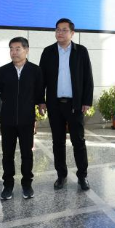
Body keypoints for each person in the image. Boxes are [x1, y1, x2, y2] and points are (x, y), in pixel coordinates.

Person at [39, 18, 94, 191]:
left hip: (74, 104)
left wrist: (87, 101)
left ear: (72, 33)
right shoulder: (48, 52)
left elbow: (88, 78)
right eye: (58, 29)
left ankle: (82, 176)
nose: (60, 33)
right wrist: (41, 101)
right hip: (54, 104)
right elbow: (41, 79)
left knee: (79, 141)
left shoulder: (81, 51)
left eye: (64, 30)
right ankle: (61, 175)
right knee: (58, 142)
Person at [0, 37, 44, 200]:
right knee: (7, 154)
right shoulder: (3, 71)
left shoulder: (35, 70)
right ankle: (8, 185)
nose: (14, 52)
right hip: (7, 119)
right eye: (11, 49)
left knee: (26, 153)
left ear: (26, 50)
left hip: (26, 119)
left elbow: (39, 92)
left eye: (17, 48)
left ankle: (27, 184)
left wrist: (41, 104)